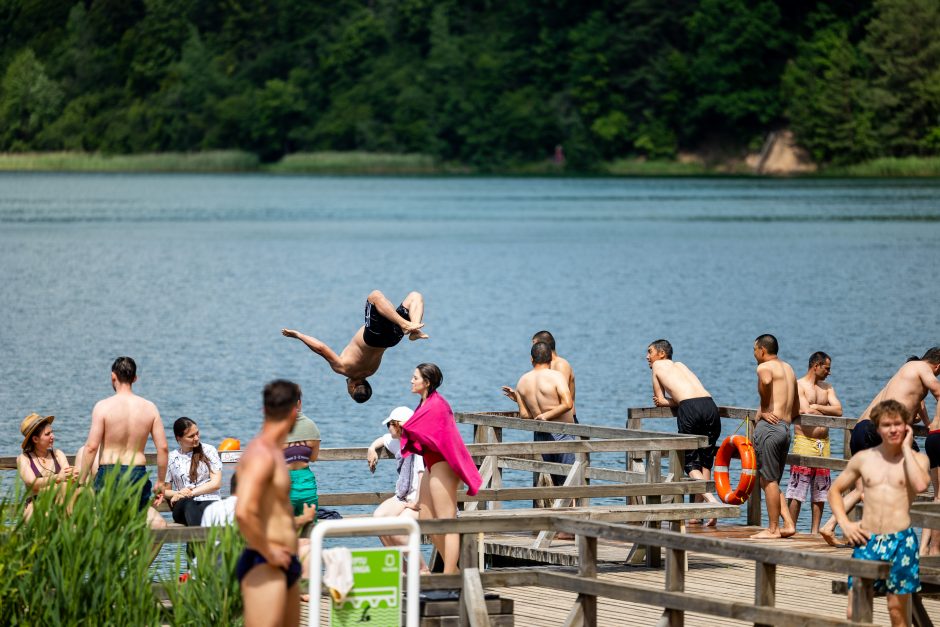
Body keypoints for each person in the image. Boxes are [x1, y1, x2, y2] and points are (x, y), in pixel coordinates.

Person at [822, 348, 940, 546]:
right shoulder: (922, 367)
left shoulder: (903, 374)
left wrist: (926, 421)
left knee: (862, 490)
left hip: (861, 429)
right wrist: (934, 424)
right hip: (878, 433)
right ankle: (893, 535)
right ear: (937, 366)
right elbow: (938, 391)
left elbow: (916, 403)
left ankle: (831, 524)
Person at [829, 400, 930, 627]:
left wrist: (906, 447)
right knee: (855, 609)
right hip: (868, 540)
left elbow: (921, 485)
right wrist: (845, 523)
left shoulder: (918, 460)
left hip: (901, 541)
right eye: (886, 425)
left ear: (907, 426)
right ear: (877, 428)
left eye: (898, 424)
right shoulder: (864, 459)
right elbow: (834, 491)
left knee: (897, 610)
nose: (893, 429)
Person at [399, 363, 482, 574]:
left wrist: (405, 429)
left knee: (447, 521)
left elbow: (436, 435)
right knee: (426, 520)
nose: (411, 380)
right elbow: (420, 432)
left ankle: (447, 575)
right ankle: (453, 570)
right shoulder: (424, 403)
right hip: (432, 464)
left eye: (415, 377)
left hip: (444, 465)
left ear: (426, 382)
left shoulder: (438, 405)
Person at [235, 379, 304, 627]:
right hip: (265, 562)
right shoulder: (261, 454)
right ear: (295, 411)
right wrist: (269, 552)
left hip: (285, 562)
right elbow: (243, 512)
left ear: (265, 409)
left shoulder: (274, 451)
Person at [281, 290, 427, 403]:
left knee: (415, 296)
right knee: (375, 296)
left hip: (392, 340)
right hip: (373, 337)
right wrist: (298, 335)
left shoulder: (371, 371)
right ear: (352, 388)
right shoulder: (343, 368)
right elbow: (321, 348)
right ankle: (409, 326)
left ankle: (413, 329)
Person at [79, 357, 168, 529]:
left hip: (110, 473)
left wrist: (81, 482)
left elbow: (91, 448)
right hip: (137, 473)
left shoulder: (103, 406)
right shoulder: (150, 407)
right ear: (135, 378)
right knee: (143, 524)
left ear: (113, 376)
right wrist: (161, 482)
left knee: (106, 525)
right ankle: (140, 557)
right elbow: (163, 448)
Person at [645, 339, 723, 523]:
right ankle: (699, 515)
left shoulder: (657, 366)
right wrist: (679, 399)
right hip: (710, 405)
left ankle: (712, 503)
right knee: (705, 460)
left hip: (690, 409)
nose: (647, 357)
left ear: (661, 354)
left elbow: (660, 400)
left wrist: (674, 401)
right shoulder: (680, 365)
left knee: (689, 464)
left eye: (650, 352)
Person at [503, 342, 574, 487]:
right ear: (551, 358)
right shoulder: (556, 377)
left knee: (549, 482)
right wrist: (547, 416)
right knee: (569, 482)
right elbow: (567, 404)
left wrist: (518, 399)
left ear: (531, 359)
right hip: (562, 433)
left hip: (541, 434)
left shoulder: (522, 381)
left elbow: (525, 415)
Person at [787, 352, 842, 535]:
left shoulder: (827, 387)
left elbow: (839, 410)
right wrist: (823, 411)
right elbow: (805, 411)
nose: (829, 372)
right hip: (804, 441)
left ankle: (814, 531)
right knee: (797, 489)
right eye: (827, 368)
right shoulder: (800, 385)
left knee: (821, 491)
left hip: (823, 443)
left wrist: (818, 407)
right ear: (816, 366)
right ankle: (791, 527)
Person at [751, 334, 798, 539]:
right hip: (786, 427)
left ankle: (772, 529)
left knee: (768, 480)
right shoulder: (788, 368)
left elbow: (766, 380)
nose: (753, 354)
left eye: (754, 350)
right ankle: (788, 524)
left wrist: (763, 408)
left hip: (770, 428)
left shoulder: (764, 367)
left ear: (762, 350)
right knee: (773, 481)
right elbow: (796, 404)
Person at [367, 406, 427, 565]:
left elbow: (422, 474)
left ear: (401, 426)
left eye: (391, 424)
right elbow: (383, 439)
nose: (388, 427)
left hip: (421, 499)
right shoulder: (398, 442)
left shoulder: (418, 444)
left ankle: (422, 569)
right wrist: (371, 448)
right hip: (404, 495)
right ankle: (403, 568)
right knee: (378, 518)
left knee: (397, 529)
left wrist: (418, 502)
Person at [164, 417, 223, 526]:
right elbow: (165, 491)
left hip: (209, 501)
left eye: (197, 433)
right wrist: (179, 494)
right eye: (191, 436)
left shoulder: (209, 450)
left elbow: (216, 484)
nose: (196, 438)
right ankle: (200, 538)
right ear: (179, 438)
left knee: (209, 509)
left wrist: (190, 493)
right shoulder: (171, 458)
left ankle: (197, 540)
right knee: (189, 504)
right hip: (183, 505)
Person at [17, 413, 75, 519]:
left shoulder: (58, 454)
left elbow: (67, 475)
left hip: (59, 502)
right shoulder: (24, 459)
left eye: (52, 432)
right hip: (36, 503)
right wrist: (58, 478)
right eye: (48, 434)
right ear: (35, 439)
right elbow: (32, 483)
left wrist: (74, 474)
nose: (53, 436)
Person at [284, 412, 321, 522]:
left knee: (284, 530)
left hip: (285, 481)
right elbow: (313, 458)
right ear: (299, 402)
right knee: (310, 530)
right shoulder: (311, 426)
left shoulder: (278, 428)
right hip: (307, 482)